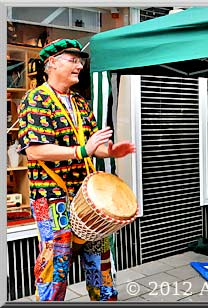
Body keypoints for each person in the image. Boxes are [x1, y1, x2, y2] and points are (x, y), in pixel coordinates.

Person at [17, 39, 136, 301]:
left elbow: (94, 144)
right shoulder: (36, 99)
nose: (80, 66)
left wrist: (110, 151)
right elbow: (35, 150)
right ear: (51, 64)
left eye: (80, 61)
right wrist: (82, 151)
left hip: (85, 196)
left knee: (100, 262)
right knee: (56, 266)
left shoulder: (81, 102)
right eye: (72, 60)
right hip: (51, 198)